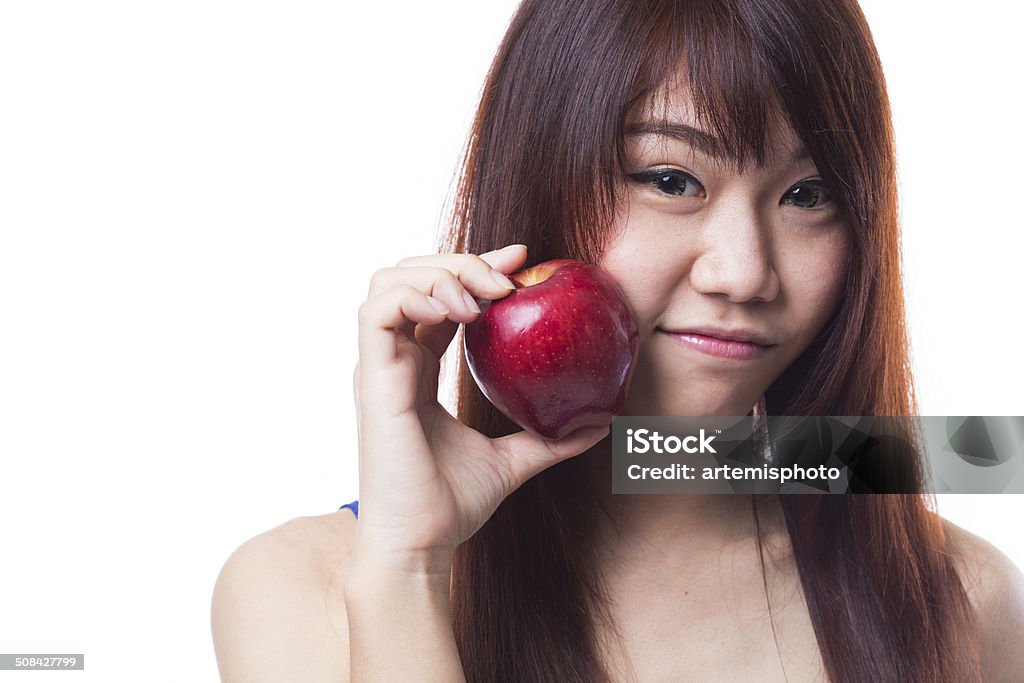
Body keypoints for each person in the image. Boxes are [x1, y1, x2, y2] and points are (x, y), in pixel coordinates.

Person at [211, 0, 1024, 680]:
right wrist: (408, 566)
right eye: (672, 180)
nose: (744, 273)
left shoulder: (959, 599)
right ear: (540, 181)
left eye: (809, 195)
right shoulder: (308, 588)